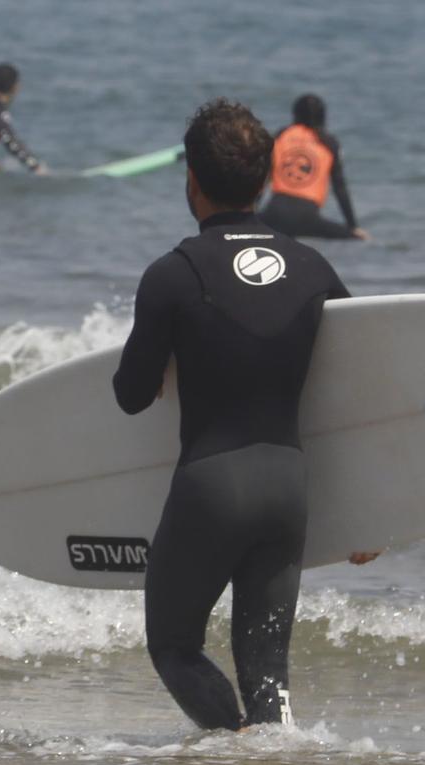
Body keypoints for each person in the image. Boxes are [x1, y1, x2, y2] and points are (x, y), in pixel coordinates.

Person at [112, 98, 360, 732]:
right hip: (287, 489)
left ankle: (237, 754)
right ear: (265, 180)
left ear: (191, 182)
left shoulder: (173, 275)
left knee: (174, 646)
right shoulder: (314, 268)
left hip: (212, 485)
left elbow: (132, 393)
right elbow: (362, 393)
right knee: (268, 676)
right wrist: (369, 514)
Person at [259, 94, 368, 241]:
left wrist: (248, 214)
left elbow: (262, 178)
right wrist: (353, 227)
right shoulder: (329, 143)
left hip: (273, 215)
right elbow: (340, 188)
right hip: (307, 219)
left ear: (295, 114)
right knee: (357, 238)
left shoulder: (281, 135)